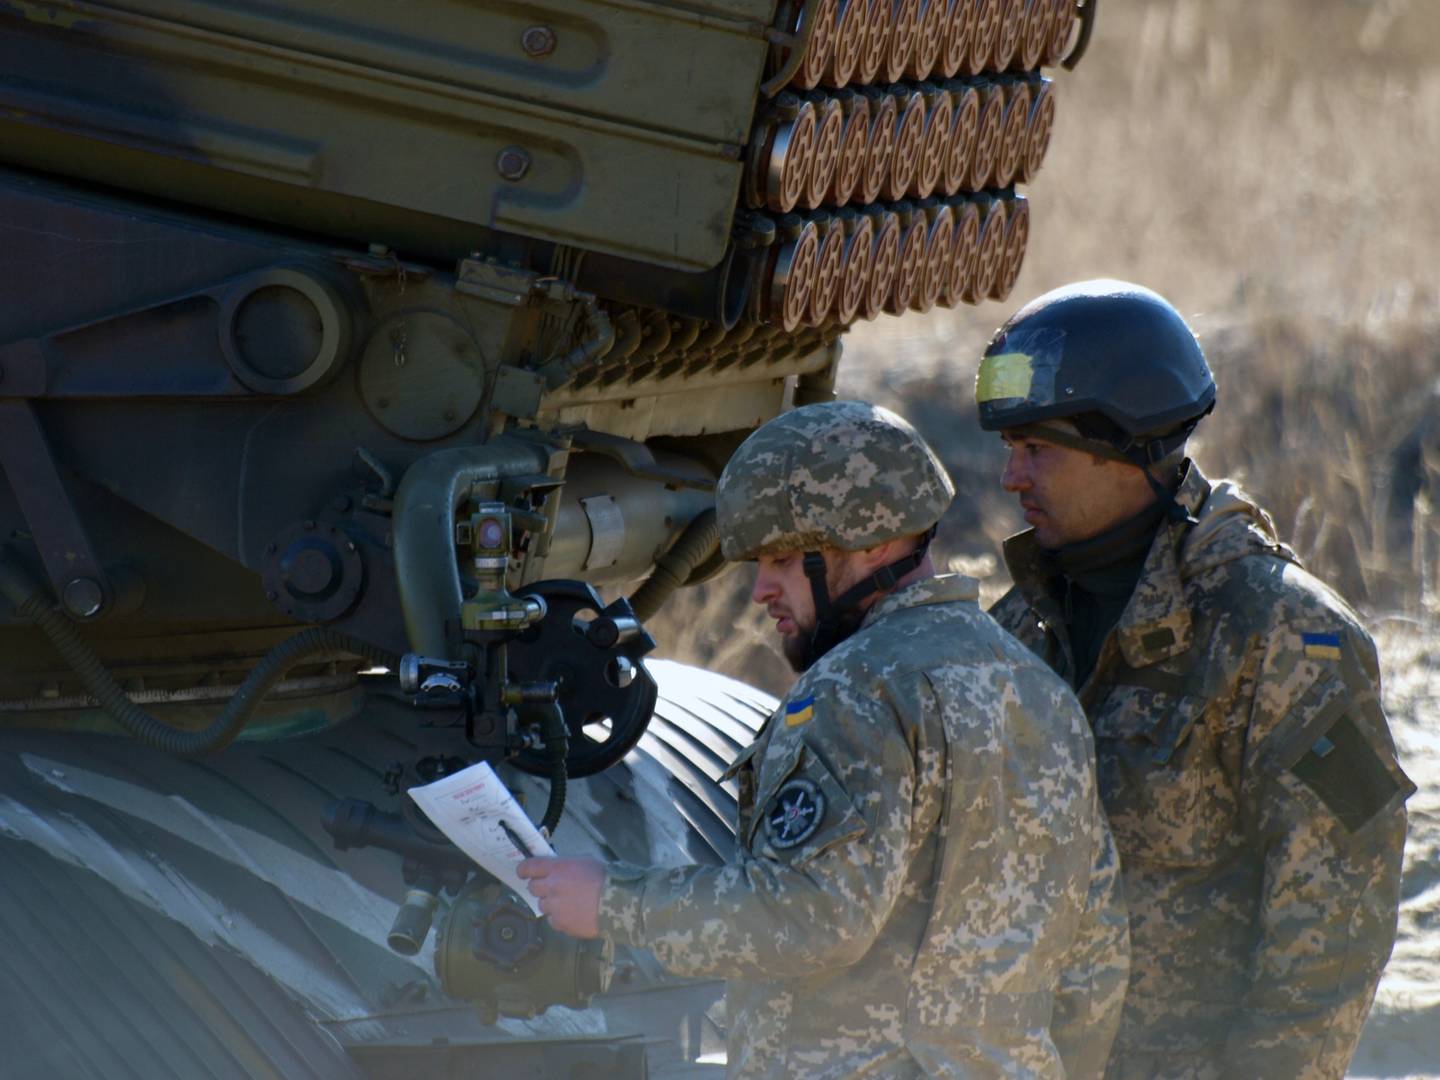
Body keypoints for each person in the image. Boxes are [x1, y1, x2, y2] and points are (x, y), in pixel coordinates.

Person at [520, 401, 1129, 1078]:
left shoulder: (857, 688)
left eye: (781, 560)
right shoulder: (1039, 690)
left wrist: (612, 903)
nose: (761, 591)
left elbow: (812, 912)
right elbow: (1096, 953)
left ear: (872, 544)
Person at [975, 279, 1415, 1080]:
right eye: (1008, 449)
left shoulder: (1282, 636)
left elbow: (1332, 934)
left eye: (1036, 448)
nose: (1011, 477)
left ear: (1126, 446)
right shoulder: (1017, 633)